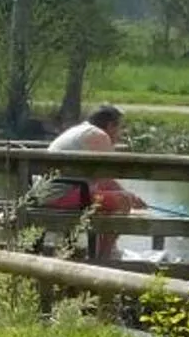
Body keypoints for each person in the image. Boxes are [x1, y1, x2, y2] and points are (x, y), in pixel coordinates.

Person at [33, 104, 143, 256]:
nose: (120, 134)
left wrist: (129, 195)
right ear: (110, 125)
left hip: (49, 193)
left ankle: (104, 252)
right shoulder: (99, 136)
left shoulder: (80, 130)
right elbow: (107, 179)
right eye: (119, 128)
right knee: (122, 201)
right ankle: (103, 259)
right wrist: (130, 197)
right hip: (61, 194)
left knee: (113, 199)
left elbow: (103, 182)